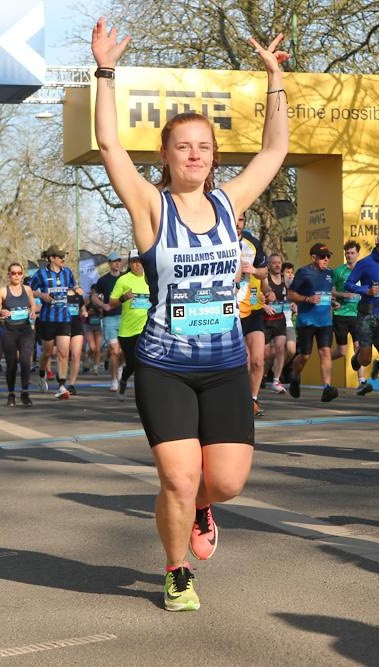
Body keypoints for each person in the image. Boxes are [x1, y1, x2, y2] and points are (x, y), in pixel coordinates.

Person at [92, 16, 288, 611]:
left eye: (204, 147)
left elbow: (275, 149)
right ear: (168, 154)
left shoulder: (231, 203)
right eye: (184, 147)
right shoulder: (151, 207)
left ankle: (203, 506)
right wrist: (105, 71)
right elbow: (108, 145)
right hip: (164, 364)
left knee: (222, 482)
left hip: (226, 363)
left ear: (213, 156)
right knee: (176, 477)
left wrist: (275, 78)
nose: (195, 155)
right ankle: (177, 570)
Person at [288, 243, 339, 402]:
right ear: (313, 257)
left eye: (328, 257)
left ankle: (327, 388)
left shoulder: (330, 273)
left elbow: (327, 293)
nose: (326, 260)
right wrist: (307, 299)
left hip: (325, 322)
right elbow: (291, 294)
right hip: (306, 321)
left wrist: (332, 302)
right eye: (323, 257)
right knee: (305, 356)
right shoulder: (304, 272)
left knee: (325, 352)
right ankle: (295, 376)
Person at [30, 245, 81, 399]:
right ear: (52, 258)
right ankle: (41, 375)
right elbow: (29, 289)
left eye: (63, 257)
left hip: (64, 318)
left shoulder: (67, 272)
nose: (63, 259)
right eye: (60, 257)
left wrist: (78, 289)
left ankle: (61, 385)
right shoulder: (41, 273)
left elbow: (74, 285)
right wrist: (42, 295)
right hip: (47, 319)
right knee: (47, 352)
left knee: (64, 353)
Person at [236, 213, 268, 416]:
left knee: (258, 360)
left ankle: (253, 400)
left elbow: (264, 272)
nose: (237, 224)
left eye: (241, 220)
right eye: (234, 219)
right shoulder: (217, 239)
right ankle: (240, 399)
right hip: (231, 311)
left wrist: (254, 270)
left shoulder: (252, 243)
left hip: (253, 309)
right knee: (243, 360)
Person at [109, 249, 150, 401]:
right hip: (127, 330)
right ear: (131, 264)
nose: (138, 265)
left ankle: (144, 392)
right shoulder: (123, 280)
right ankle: (124, 380)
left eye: (140, 261)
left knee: (144, 362)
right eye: (134, 262)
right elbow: (111, 303)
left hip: (146, 329)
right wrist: (123, 298)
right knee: (132, 362)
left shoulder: (151, 278)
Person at [331, 241, 368, 394]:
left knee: (360, 348)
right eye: (347, 253)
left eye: (352, 253)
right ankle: (326, 358)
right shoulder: (339, 271)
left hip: (358, 314)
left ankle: (362, 382)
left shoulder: (364, 270)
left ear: (358, 254)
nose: (349, 255)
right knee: (342, 352)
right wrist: (343, 295)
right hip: (341, 315)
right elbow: (332, 291)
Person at [0, 262, 36, 406]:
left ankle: (25, 393)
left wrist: (33, 312)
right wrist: (1, 312)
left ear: (22, 275)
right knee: (11, 364)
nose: (16, 275)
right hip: (9, 331)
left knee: (26, 362)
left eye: (19, 273)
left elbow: (32, 304)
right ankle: (11, 394)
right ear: (9, 274)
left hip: (26, 331)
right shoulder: (3, 291)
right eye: (13, 273)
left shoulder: (27, 289)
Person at [346, 235, 379, 379]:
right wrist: (366, 290)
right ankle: (358, 355)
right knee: (365, 360)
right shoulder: (365, 263)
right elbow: (349, 284)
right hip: (367, 316)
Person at [92, 251, 124, 390]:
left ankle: (120, 368)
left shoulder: (126, 278)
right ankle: (114, 380)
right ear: (109, 264)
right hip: (109, 319)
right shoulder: (103, 280)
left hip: (125, 318)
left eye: (119, 261)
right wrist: (102, 304)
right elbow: (93, 297)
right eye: (114, 261)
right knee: (113, 351)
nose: (117, 263)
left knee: (123, 352)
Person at [262, 254, 288, 394]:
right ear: (269, 265)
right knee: (265, 354)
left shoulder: (285, 279)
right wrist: (264, 306)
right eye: (274, 263)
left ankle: (276, 381)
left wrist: (294, 304)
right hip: (265, 322)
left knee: (280, 348)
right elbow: (256, 298)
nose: (277, 265)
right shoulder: (264, 280)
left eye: (279, 263)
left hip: (280, 320)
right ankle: (262, 375)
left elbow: (291, 295)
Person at [67, 288, 87, 395]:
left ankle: (71, 384)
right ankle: (61, 376)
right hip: (63, 326)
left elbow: (83, 309)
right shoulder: (59, 294)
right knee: (64, 355)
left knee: (76, 355)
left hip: (76, 327)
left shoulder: (78, 295)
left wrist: (84, 313)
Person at [84, 284, 103, 374]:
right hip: (88, 325)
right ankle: (87, 356)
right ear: (91, 291)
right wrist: (88, 311)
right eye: (94, 291)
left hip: (98, 324)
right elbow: (82, 310)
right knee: (92, 347)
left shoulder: (101, 299)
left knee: (98, 349)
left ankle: (95, 367)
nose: (95, 293)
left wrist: (100, 310)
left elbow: (103, 312)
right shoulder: (87, 299)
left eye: (97, 291)